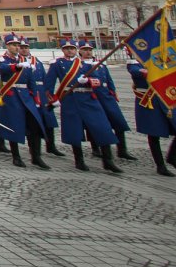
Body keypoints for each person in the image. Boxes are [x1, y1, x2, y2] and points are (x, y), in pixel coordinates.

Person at [45, 39, 120, 173]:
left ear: (76, 50)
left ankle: (107, 160)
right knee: (74, 131)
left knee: (102, 127)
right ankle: (79, 160)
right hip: (71, 99)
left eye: (72, 48)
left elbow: (98, 81)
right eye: (67, 48)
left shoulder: (86, 63)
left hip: (88, 98)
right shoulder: (57, 64)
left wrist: (88, 81)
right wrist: (53, 100)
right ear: (63, 50)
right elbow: (48, 84)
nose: (70, 51)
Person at [125, 47, 176, 176]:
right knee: (154, 134)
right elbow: (136, 72)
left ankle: (173, 157)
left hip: (165, 100)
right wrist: (147, 71)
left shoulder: (157, 60)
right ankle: (160, 166)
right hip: (148, 102)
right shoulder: (133, 63)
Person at [0, 34, 50, 169]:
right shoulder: (2, 59)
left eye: (17, 45)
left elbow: (31, 79)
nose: (16, 47)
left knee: (34, 126)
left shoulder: (25, 60)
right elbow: (3, 69)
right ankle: (16, 156)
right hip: (11, 95)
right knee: (14, 127)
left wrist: (35, 97)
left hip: (26, 96)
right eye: (14, 45)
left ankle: (36, 156)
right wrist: (16, 66)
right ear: (7, 45)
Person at [79, 40, 136, 162]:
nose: (88, 52)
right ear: (80, 51)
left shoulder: (100, 64)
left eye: (90, 50)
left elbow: (109, 80)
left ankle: (122, 149)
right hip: (93, 97)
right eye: (85, 50)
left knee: (118, 122)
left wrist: (113, 92)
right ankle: (96, 148)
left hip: (106, 97)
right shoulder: (80, 65)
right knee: (95, 126)